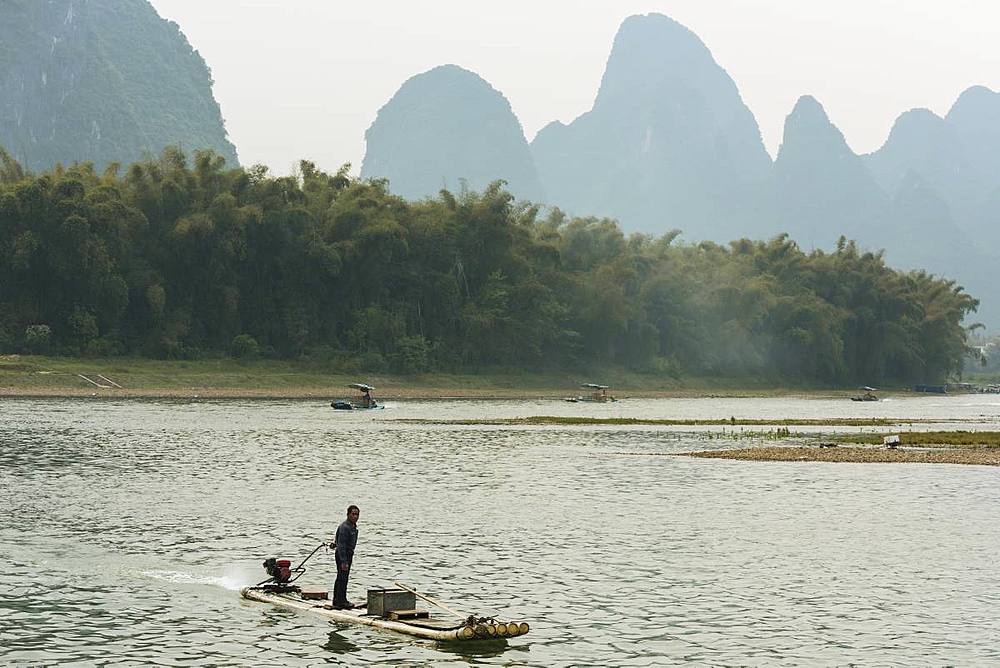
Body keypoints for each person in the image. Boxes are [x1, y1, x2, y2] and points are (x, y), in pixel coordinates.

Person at [331, 504, 360, 609]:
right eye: (353, 514)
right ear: (348, 514)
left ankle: (340, 599)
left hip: (348, 554)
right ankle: (339, 601)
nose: (355, 517)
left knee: (343, 577)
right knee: (342, 578)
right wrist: (344, 561)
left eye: (357, 514)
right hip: (343, 554)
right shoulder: (345, 527)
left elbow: (337, 540)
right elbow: (342, 545)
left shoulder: (352, 527)